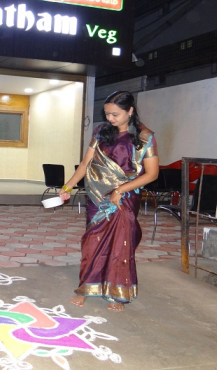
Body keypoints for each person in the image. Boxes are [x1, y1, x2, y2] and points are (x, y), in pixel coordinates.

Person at [59, 91, 159, 312]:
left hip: (124, 197)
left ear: (130, 111)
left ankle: (117, 292)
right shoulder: (101, 131)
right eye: (107, 114)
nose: (110, 119)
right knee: (92, 242)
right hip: (96, 196)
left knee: (119, 245)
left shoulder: (144, 137)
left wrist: (120, 190)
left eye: (115, 114)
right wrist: (67, 187)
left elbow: (151, 174)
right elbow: (86, 163)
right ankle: (87, 287)